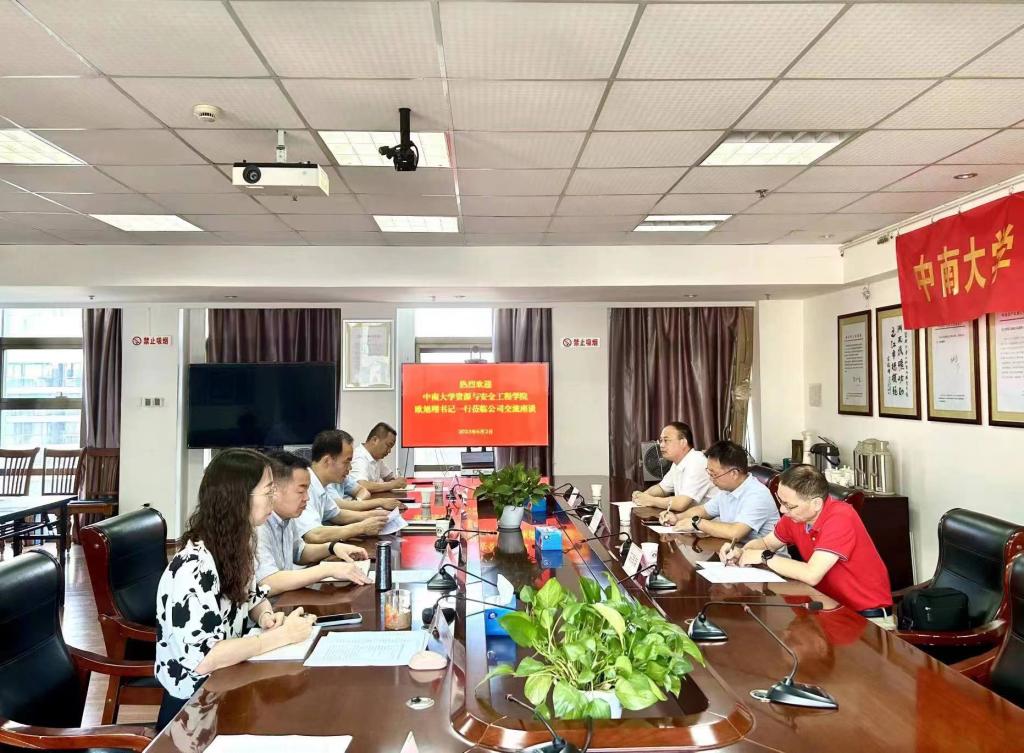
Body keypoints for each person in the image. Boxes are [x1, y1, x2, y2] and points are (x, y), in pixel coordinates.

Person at [155, 449, 316, 728]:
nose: (273, 497)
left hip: (233, 681)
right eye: (268, 491)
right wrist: (280, 637)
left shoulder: (237, 544)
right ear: (240, 498)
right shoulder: (193, 566)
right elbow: (205, 658)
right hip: (195, 708)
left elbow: (252, 596)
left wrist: (265, 616)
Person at [721, 464, 895, 630]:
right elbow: (767, 543)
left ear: (816, 504)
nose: (782, 510)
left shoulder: (841, 518)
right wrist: (741, 552)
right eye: (780, 501)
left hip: (866, 617)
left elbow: (812, 574)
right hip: (827, 607)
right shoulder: (795, 517)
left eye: (788, 505)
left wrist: (764, 556)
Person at [256, 450, 373, 595]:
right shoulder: (258, 524)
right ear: (274, 490)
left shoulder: (286, 517)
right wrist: (326, 570)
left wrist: (332, 548)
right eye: (301, 491)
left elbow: (299, 552)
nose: (307, 498)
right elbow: (267, 582)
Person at [659, 440, 781, 545]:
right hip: (735, 553)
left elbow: (736, 532)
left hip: (765, 560)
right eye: (709, 473)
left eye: (714, 474)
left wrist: (697, 523)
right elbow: (704, 510)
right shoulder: (727, 490)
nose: (711, 479)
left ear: (734, 473)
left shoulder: (757, 495)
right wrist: (676, 518)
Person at [295, 429, 400, 546]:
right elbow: (314, 534)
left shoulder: (320, 485)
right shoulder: (303, 487)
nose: (350, 468)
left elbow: (337, 515)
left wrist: (373, 515)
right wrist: (361, 527)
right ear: (327, 461)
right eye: (346, 462)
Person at [631, 422, 714, 512]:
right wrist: (643, 496)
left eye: (666, 440)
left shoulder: (697, 462)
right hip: (689, 516)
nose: (661, 445)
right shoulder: (677, 462)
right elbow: (662, 489)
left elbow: (681, 504)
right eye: (661, 440)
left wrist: (651, 500)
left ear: (683, 442)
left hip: (710, 519)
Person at [352, 422, 408, 493]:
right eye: (388, 445)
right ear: (375, 440)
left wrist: (397, 481)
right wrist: (392, 484)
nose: (389, 451)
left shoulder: (376, 457)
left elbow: (389, 476)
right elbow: (361, 486)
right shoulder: (359, 457)